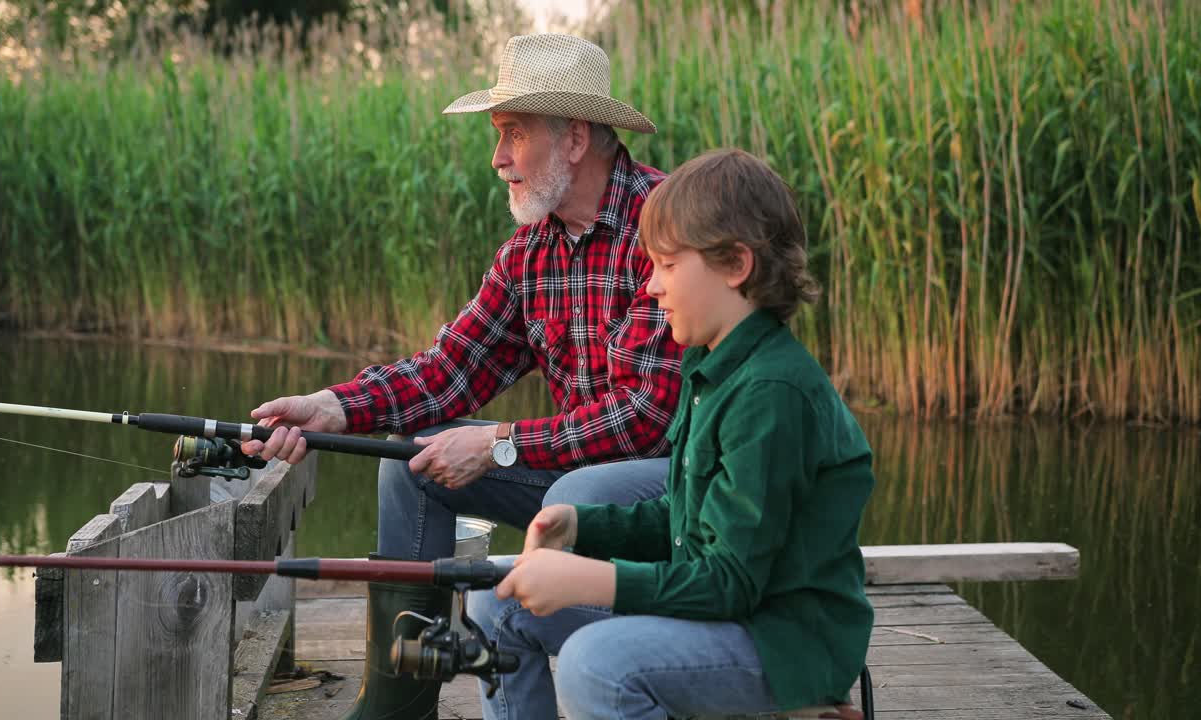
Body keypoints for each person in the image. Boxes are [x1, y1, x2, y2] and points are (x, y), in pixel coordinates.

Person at [241, 33, 683, 720]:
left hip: (675, 491)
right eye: (497, 134)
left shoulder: (665, 224)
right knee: (412, 458)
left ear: (574, 139)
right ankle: (401, 700)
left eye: (513, 133)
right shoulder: (530, 252)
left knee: (578, 486)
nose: (497, 158)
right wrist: (332, 406)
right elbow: (447, 372)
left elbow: (644, 421)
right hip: (574, 477)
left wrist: (499, 442)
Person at [468, 149, 876, 720]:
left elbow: (729, 582)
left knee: (597, 664)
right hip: (728, 614)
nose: (651, 287)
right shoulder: (712, 368)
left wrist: (594, 579)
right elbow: (686, 523)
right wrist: (586, 525)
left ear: (735, 264)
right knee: (497, 599)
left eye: (665, 266)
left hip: (784, 642)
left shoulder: (772, 394)